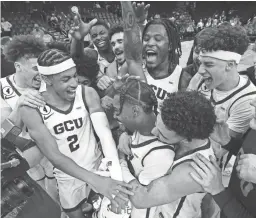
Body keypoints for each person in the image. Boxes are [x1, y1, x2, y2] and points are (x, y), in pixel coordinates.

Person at [19, 46, 133, 218]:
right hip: (67, 177)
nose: (74, 83)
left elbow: (105, 136)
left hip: (98, 167)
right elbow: (55, 157)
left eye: (74, 76)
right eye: (65, 79)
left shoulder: (87, 93)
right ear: (46, 79)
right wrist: (97, 181)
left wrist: (114, 175)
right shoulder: (31, 109)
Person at [117, 90, 217, 218]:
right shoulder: (189, 125)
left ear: (186, 139)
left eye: (162, 134)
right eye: (157, 125)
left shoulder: (191, 172)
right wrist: (127, 134)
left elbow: (141, 199)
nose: (153, 132)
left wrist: (122, 163)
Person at [0, 35, 59, 203]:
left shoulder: (48, 83)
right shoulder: (2, 88)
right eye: (35, 68)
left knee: (59, 205)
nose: (40, 73)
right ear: (18, 67)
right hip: (26, 160)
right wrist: (19, 106)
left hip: (54, 155)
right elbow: (5, 134)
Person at [187, 24, 256, 160]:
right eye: (200, 63)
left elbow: (219, 148)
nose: (200, 70)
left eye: (208, 64)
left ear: (230, 65)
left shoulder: (247, 100)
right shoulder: (200, 78)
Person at [111, 79, 175, 218]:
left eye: (117, 111)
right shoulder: (142, 125)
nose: (115, 116)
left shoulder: (161, 153)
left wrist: (121, 160)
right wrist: (124, 133)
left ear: (135, 111)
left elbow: (137, 194)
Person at [190, 96, 256, 218]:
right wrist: (228, 142)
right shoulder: (254, 126)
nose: (252, 102)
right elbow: (247, 150)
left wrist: (218, 190)